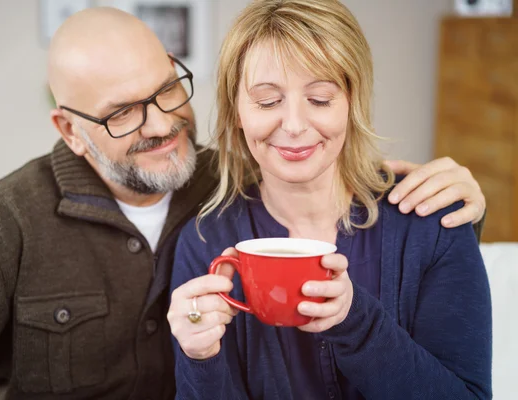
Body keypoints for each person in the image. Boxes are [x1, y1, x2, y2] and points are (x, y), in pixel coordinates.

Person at [0, 6, 486, 400]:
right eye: (122, 112)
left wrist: (456, 201)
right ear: (70, 130)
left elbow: (312, 161)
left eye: (167, 88)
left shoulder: (221, 179)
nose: (164, 123)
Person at [168, 1, 492, 399]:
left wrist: (354, 321)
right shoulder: (204, 241)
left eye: (320, 98)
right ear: (237, 110)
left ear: (352, 101)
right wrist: (199, 358)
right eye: (268, 101)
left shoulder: (431, 223)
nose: (294, 125)